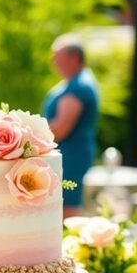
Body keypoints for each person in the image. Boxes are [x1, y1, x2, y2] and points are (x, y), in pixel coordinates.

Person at [44, 34, 99, 218]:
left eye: (57, 56)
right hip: (70, 155)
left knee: (66, 213)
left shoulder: (79, 87)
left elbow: (60, 128)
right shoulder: (77, 82)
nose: (53, 61)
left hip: (70, 158)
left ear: (74, 58)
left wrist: (26, 136)